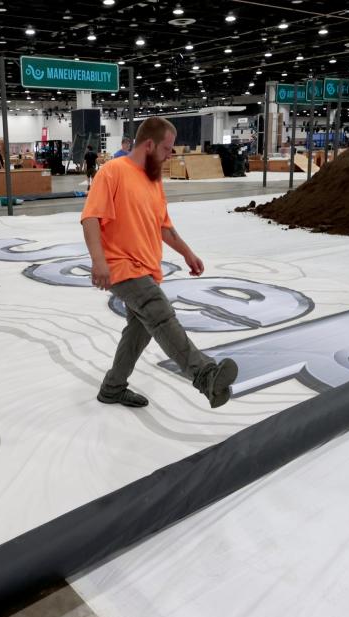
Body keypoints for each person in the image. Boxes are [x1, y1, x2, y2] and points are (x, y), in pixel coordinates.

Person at [81, 117, 238, 409]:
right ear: (149, 145)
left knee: (139, 332)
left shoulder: (153, 180)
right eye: (166, 149)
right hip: (121, 266)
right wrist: (98, 261)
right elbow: (90, 217)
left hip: (146, 268)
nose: (169, 155)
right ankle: (205, 375)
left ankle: (112, 387)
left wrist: (187, 253)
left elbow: (163, 226)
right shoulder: (113, 172)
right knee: (160, 313)